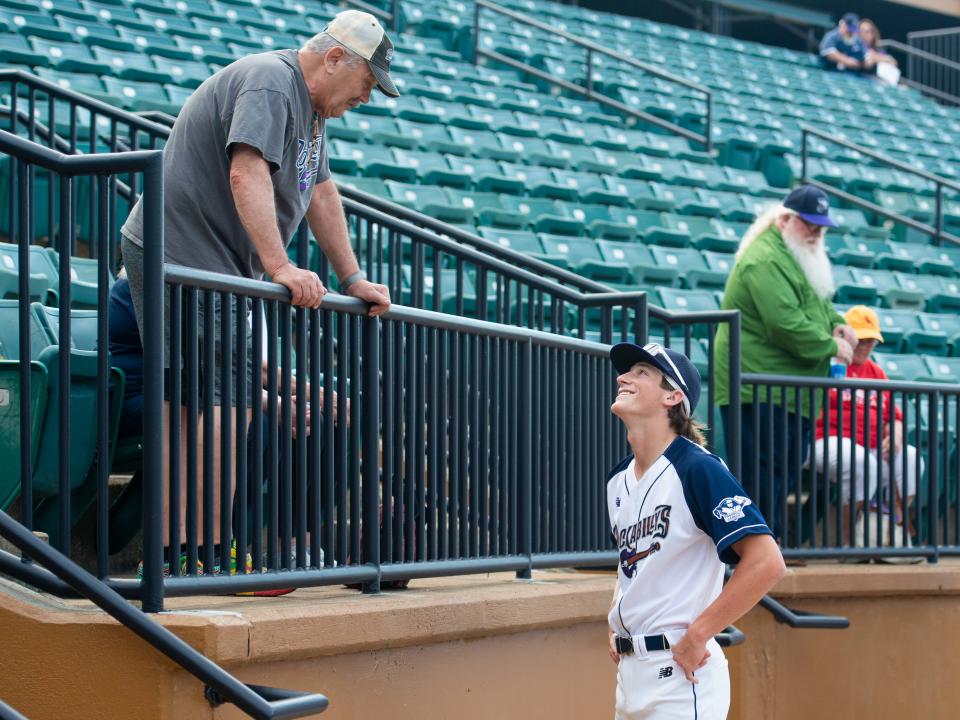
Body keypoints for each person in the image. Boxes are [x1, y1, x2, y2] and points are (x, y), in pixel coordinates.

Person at [117, 9, 396, 557]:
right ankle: (194, 552)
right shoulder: (272, 80)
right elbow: (244, 171)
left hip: (215, 265)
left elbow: (320, 193)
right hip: (182, 254)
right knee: (206, 403)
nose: (365, 99)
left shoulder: (312, 111)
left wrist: (354, 277)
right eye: (366, 84)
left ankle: (197, 550)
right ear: (335, 57)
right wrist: (281, 267)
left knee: (221, 401)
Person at [606, 341, 785, 720]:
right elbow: (630, 565)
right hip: (630, 672)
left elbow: (767, 562)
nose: (623, 377)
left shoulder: (697, 469)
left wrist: (699, 634)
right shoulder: (617, 480)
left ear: (673, 396)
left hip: (681, 674)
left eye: (642, 373)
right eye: (627, 371)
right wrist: (617, 615)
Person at [713, 185, 857, 538]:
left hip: (790, 391)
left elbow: (817, 304)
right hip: (758, 385)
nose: (815, 233)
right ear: (785, 219)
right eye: (809, 225)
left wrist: (837, 322)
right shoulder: (765, 258)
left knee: (783, 470)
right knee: (763, 473)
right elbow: (783, 323)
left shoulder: (795, 255)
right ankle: (758, 552)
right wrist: (830, 346)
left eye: (820, 227)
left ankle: (770, 548)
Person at [811, 306, 922, 549]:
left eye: (871, 340)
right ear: (847, 337)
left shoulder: (876, 372)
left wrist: (895, 433)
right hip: (824, 440)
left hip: (870, 448)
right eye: (860, 339)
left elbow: (895, 415)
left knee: (912, 459)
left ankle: (889, 531)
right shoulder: (828, 364)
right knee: (860, 460)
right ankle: (849, 539)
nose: (865, 345)